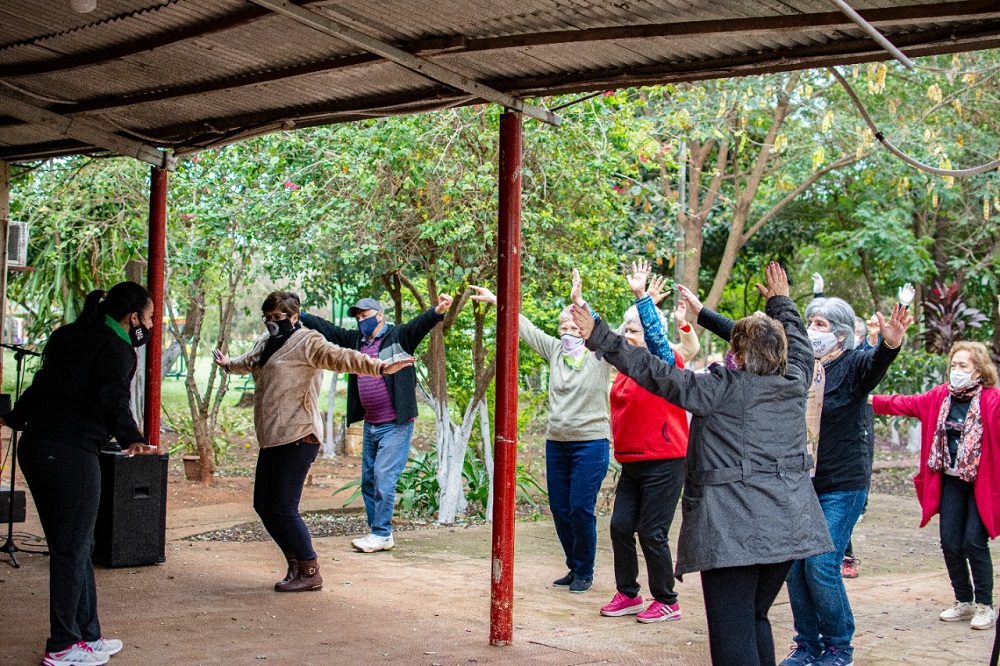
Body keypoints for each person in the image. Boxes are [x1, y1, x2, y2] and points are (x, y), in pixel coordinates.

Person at [573, 262, 832, 666]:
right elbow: (798, 342)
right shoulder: (794, 381)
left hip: (732, 531)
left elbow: (654, 372)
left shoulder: (719, 389)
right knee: (755, 618)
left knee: (733, 634)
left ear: (738, 354)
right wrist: (782, 302)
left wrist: (600, 337)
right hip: (789, 526)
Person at [679, 280, 913, 666]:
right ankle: (807, 644)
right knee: (793, 569)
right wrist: (702, 313)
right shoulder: (791, 364)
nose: (812, 330)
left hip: (841, 483)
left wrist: (888, 345)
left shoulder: (853, 365)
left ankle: (839, 646)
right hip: (799, 484)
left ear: (841, 335)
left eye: (821, 324)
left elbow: (875, 365)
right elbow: (748, 337)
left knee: (820, 566)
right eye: (810, 323)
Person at [1, 282, 158, 666]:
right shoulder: (116, 347)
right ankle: (62, 645)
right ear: (133, 317)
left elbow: (42, 384)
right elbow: (113, 396)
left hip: (37, 448)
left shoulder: (70, 336)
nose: (151, 326)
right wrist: (132, 437)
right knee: (72, 548)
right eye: (150, 317)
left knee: (78, 545)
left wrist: (15, 418)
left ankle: (87, 635)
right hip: (70, 453)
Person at [215, 291, 413, 591]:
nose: (272, 323)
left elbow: (341, 357)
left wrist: (380, 367)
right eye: (268, 318)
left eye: (278, 317)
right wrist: (228, 364)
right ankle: (295, 565)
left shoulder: (307, 341)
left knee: (283, 507)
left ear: (295, 316)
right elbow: (250, 361)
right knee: (263, 505)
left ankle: (309, 570)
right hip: (271, 436)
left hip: (299, 435)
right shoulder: (265, 342)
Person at [471, 272, 609, 593]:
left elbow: (603, 332)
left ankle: (585, 570)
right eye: (564, 328)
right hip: (557, 443)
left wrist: (580, 303)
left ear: (586, 330)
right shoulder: (555, 351)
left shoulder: (600, 355)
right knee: (560, 509)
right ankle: (573, 566)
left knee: (580, 508)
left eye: (574, 328)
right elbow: (525, 327)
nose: (568, 333)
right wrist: (497, 300)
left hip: (591, 442)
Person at [298, 293, 452, 553]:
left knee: (383, 478)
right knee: (369, 481)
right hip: (371, 423)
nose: (361, 321)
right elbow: (329, 330)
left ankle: (381, 533)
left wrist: (438, 310)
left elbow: (421, 324)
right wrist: (301, 315)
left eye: (365, 315)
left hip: (396, 424)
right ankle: (377, 531)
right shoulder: (355, 341)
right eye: (358, 317)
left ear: (380, 315)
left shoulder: (399, 337)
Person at [872, 341, 1000, 631]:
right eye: (954, 365)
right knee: (950, 542)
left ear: (979, 370)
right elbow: (906, 403)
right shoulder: (941, 396)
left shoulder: (993, 400)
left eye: (963, 366)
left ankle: (985, 605)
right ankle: (964, 601)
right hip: (951, 480)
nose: (956, 370)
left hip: (981, 484)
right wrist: (868, 399)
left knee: (973, 541)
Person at [598, 261, 695, 623]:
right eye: (627, 330)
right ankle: (628, 594)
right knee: (620, 527)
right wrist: (581, 307)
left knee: (652, 532)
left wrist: (643, 298)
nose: (629, 335)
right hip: (632, 462)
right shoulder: (625, 369)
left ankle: (667, 600)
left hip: (665, 460)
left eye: (635, 330)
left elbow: (655, 336)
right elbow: (603, 339)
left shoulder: (666, 362)